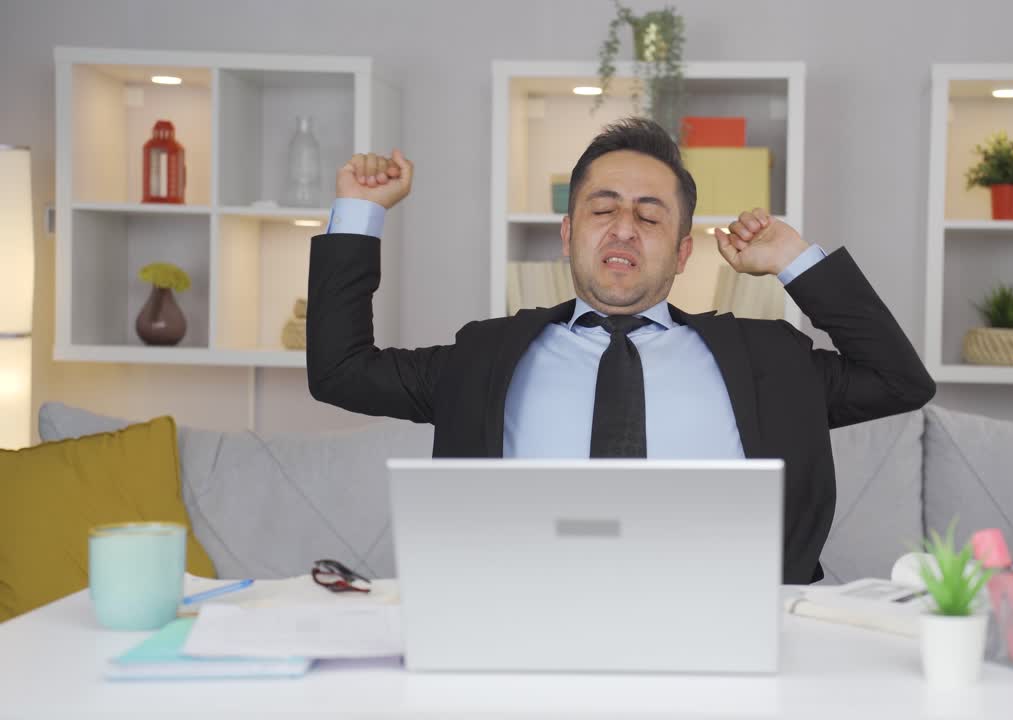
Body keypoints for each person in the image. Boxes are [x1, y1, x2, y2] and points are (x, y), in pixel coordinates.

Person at [307, 117, 935, 584]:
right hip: (522, 630)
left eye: (651, 216)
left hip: (733, 635)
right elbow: (340, 372)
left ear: (684, 251)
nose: (625, 228)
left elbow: (901, 381)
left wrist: (797, 260)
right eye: (602, 209)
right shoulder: (483, 357)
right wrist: (360, 213)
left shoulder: (770, 357)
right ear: (569, 234)